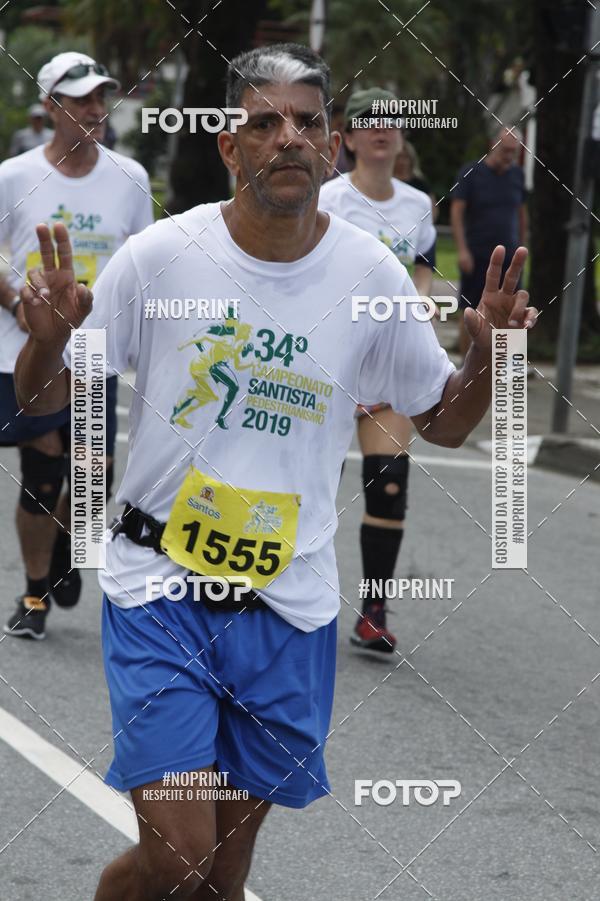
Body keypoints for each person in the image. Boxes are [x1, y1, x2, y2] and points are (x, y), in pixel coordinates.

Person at [14, 42, 534, 901]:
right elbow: (48, 393)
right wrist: (45, 338)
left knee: (220, 870)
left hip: (288, 600)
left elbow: (442, 421)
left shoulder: (370, 275)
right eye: (265, 122)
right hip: (161, 590)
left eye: (308, 122)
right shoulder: (161, 257)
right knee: (180, 852)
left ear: (332, 147)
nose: (289, 137)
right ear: (231, 146)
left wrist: (495, 361)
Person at [1, 51, 153, 640]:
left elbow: (144, 262)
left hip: (95, 348)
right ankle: (35, 593)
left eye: (100, 97)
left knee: (95, 478)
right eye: (81, 98)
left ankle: (68, 549)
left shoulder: (131, 177)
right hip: (29, 345)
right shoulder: (15, 174)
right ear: (50, 107)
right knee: (43, 470)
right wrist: (19, 303)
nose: (95, 108)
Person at [319, 87, 437, 654]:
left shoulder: (417, 205)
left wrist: (417, 308)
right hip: (329, 364)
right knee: (312, 483)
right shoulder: (329, 199)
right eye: (369, 122)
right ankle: (278, 595)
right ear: (349, 136)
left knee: (388, 485)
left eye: (392, 120)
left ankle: (373, 611)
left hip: (387, 367)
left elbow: (420, 272)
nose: (382, 131)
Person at [451, 126, 528, 355]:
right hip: (477, 253)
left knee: (513, 311)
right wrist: (462, 250)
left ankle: (508, 368)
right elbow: (456, 212)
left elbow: (522, 213)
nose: (509, 156)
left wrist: (523, 245)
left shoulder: (517, 175)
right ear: (493, 145)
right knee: (470, 310)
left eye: (514, 152)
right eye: (505, 150)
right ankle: (466, 366)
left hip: (511, 256)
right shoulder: (471, 173)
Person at [394, 138, 437, 220]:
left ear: (411, 159)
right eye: (399, 157)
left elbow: (433, 209)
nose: (402, 161)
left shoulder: (420, 183)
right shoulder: (387, 183)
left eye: (405, 157)